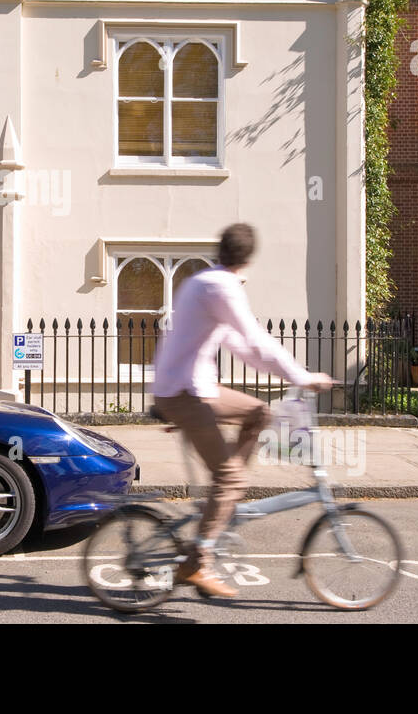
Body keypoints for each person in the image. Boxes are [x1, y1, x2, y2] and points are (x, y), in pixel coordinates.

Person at [152, 223, 336, 598]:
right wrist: (302, 376)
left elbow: (244, 348)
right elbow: (257, 341)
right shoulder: (220, 287)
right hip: (185, 393)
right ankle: (198, 559)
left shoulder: (205, 282)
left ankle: (225, 495)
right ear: (247, 259)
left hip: (195, 387)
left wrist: (291, 374)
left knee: (259, 413)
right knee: (230, 478)